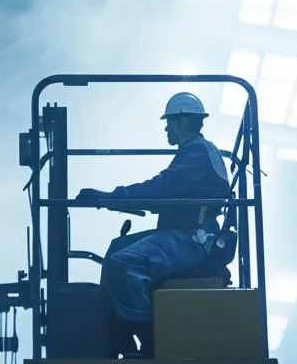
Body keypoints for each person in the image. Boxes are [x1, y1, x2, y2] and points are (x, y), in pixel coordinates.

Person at [76, 92, 231, 337]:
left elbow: (161, 188)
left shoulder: (197, 152)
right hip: (187, 232)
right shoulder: (196, 152)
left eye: (169, 122)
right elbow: (168, 194)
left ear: (183, 121)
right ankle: (115, 335)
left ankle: (148, 336)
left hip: (192, 237)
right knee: (116, 248)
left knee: (124, 262)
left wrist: (109, 196)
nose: (166, 129)